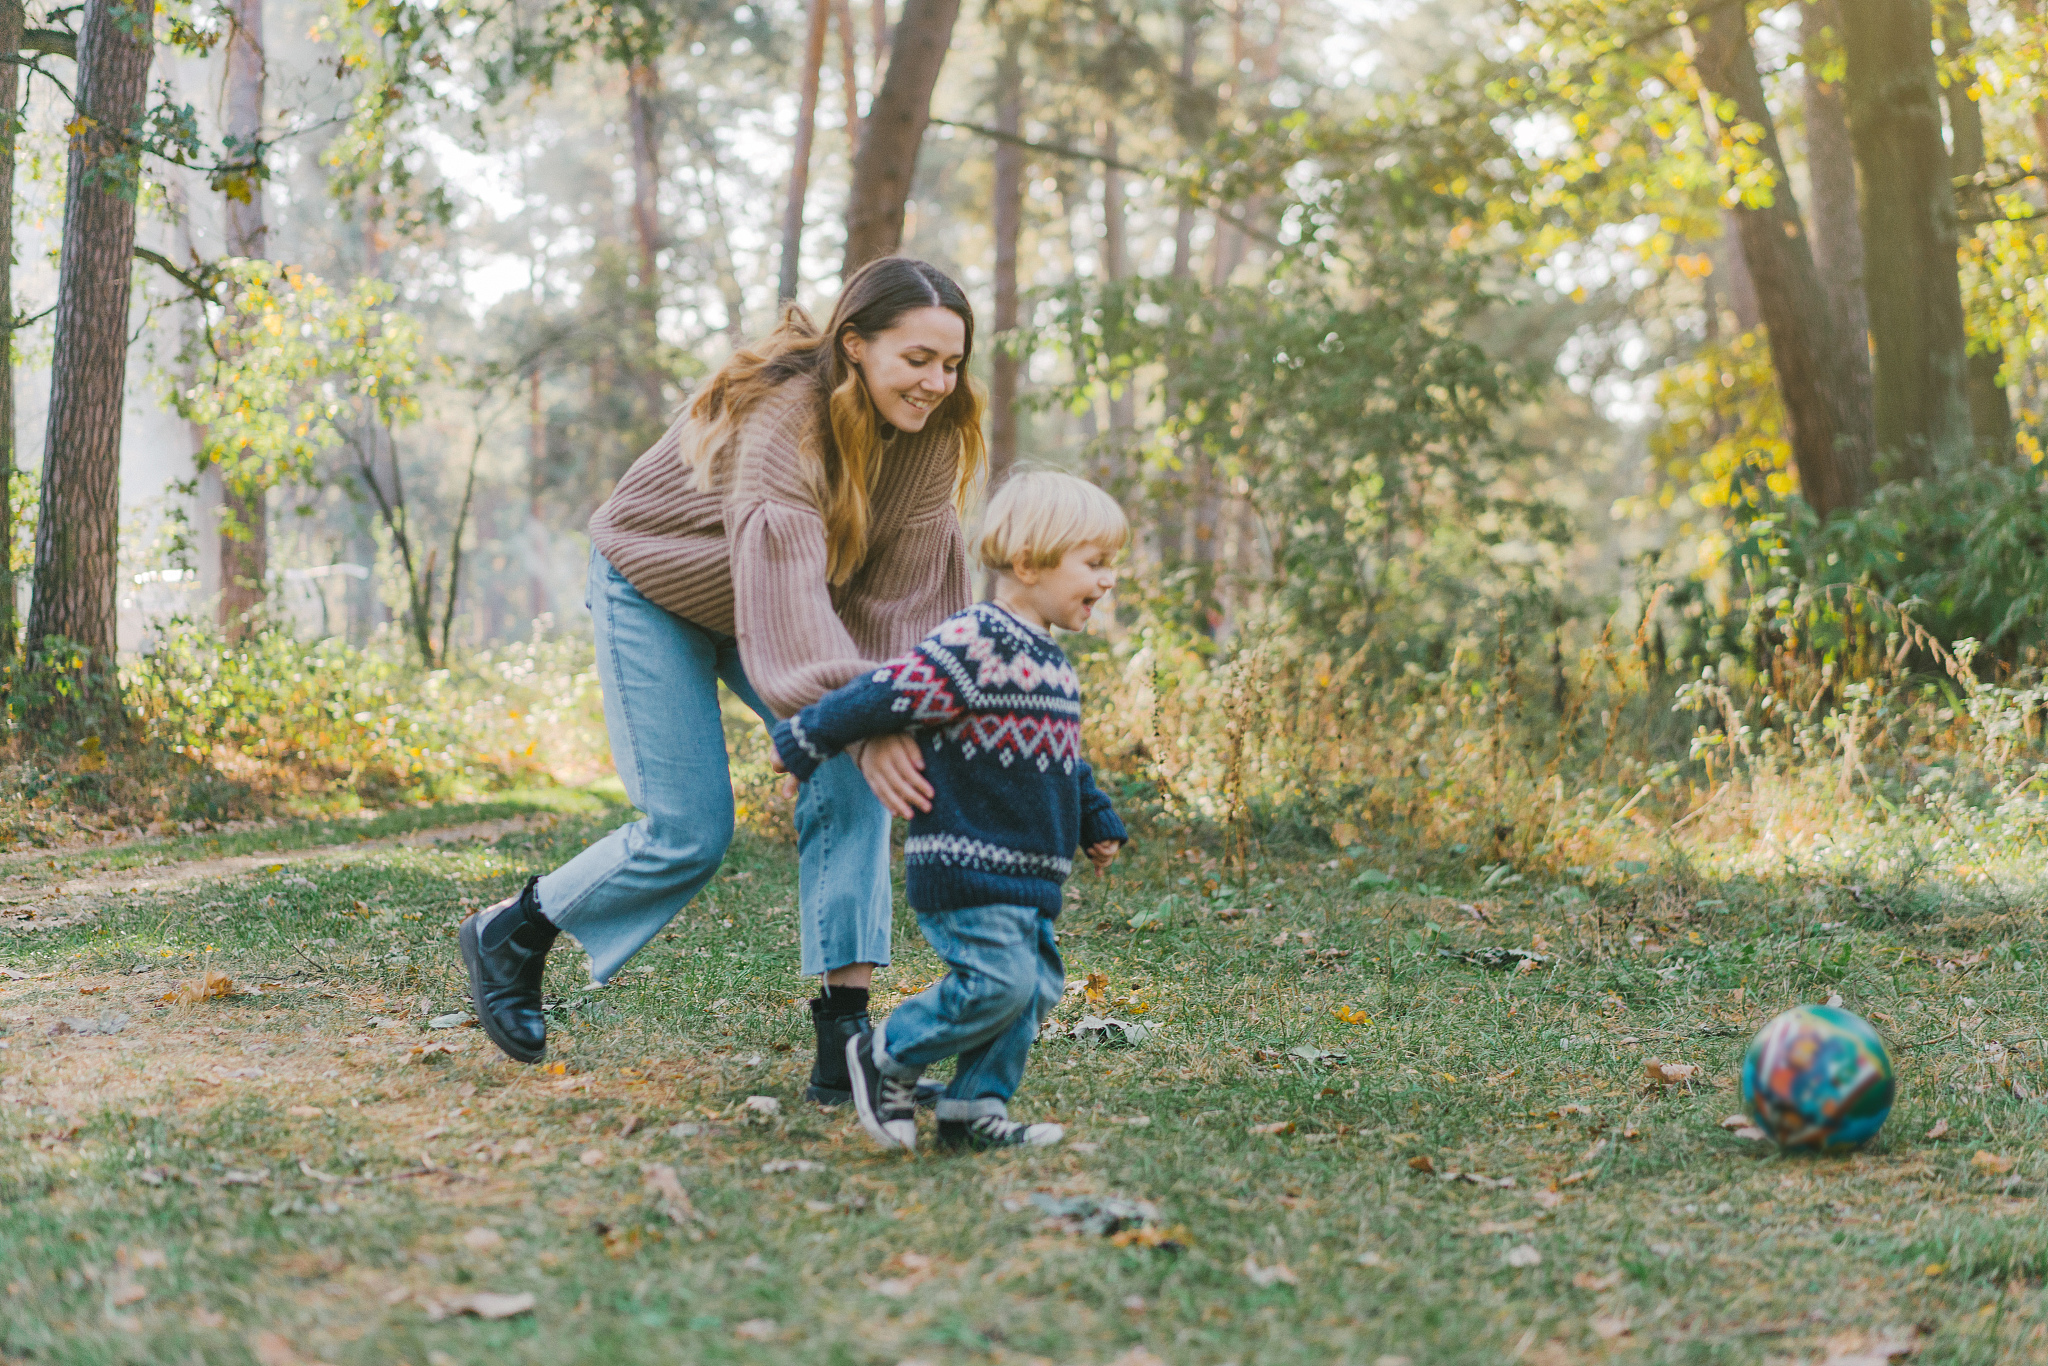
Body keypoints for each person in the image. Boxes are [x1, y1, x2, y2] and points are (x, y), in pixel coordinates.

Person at [462, 257, 983, 1108]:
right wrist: (862, 711)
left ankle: (844, 1047)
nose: (935, 382)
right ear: (854, 345)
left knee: (854, 783)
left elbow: (903, 597)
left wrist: (894, 710)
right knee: (689, 831)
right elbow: (785, 592)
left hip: (766, 602)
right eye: (916, 359)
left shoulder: (935, 436)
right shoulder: (789, 420)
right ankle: (511, 932)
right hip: (655, 584)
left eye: (952, 363)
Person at [768, 470, 1129, 1152]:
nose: (1108, 580)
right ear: (1028, 563)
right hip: (967, 862)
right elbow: (884, 692)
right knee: (998, 983)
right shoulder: (976, 641)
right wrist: (806, 738)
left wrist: (1095, 817)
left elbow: (1062, 758)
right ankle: (885, 1055)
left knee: (1031, 993)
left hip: (1030, 876)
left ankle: (973, 1110)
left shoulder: (1051, 662)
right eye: (1095, 563)